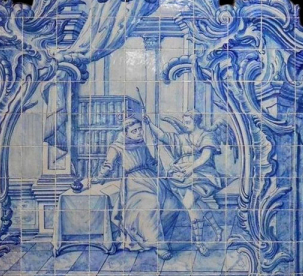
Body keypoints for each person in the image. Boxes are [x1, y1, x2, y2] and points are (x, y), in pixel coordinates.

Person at [85, 116, 179, 260]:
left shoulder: (141, 143)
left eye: (140, 129)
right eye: (134, 131)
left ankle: (151, 238)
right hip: (134, 183)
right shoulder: (116, 147)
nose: (139, 133)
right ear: (125, 133)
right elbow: (107, 166)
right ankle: (159, 245)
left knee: (172, 204)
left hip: (151, 179)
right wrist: (98, 178)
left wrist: (164, 173)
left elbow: (151, 162)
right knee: (150, 206)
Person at [143, 110, 224, 256]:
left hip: (201, 174)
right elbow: (162, 136)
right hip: (181, 176)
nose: (185, 125)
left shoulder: (207, 136)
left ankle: (199, 242)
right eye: (184, 122)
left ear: (196, 121)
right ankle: (217, 229)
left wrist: (190, 169)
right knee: (195, 204)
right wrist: (149, 124)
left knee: (189, 204)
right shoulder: (183, 137)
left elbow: (204, 158)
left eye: (188, 122)